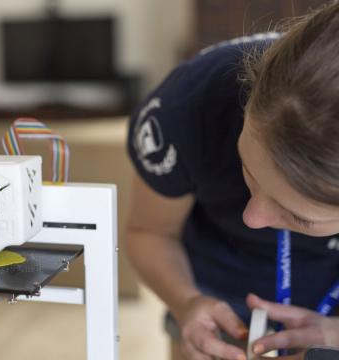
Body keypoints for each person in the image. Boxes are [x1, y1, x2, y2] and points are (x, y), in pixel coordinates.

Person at [126, 2, 339, 359]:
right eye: (247, 169)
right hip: (209, 293)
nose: (252, 218)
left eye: (301, 216)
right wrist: (186, 301)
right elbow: (150, 231)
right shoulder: (186, 107)